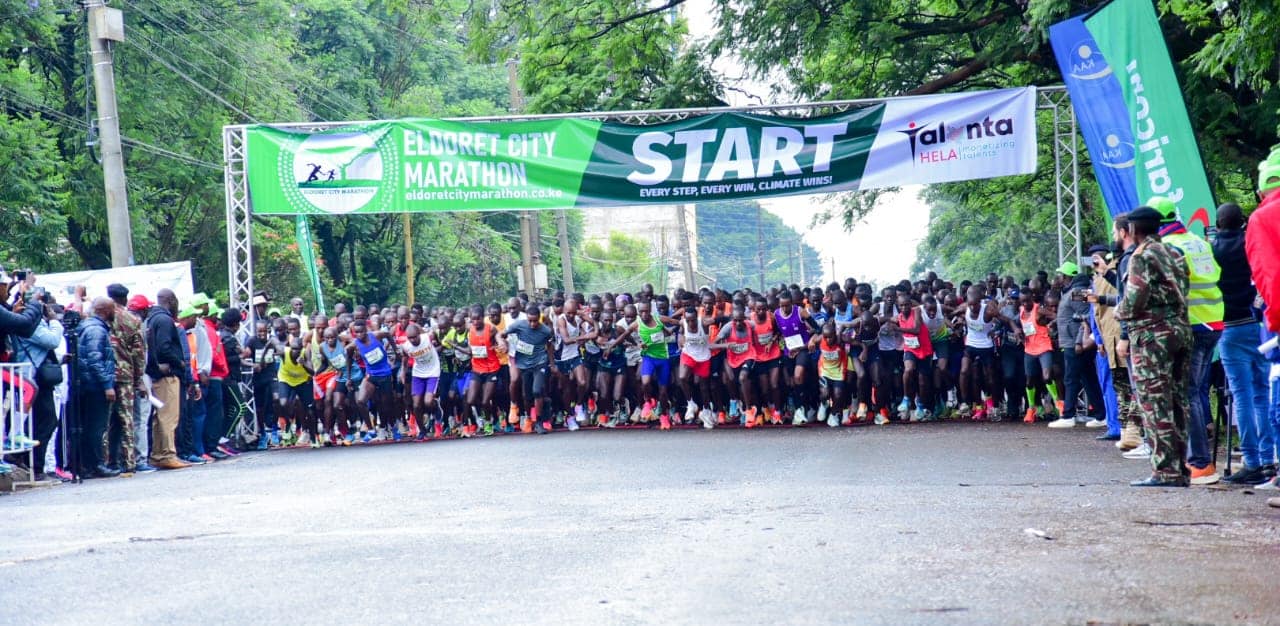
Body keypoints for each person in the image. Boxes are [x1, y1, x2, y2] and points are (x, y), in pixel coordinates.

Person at [1149, 196, 1225, 483]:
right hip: (1213, 321)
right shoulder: (1196, 240)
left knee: (1188, 393)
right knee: (1195, 390)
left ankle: (1200, 463)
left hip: (1191, 323)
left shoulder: (1169, 248)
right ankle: (1199, 460)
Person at [1115, 206, 1192, 488]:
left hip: (1152, 336)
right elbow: (1185, 290)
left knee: (1154, 402)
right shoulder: (1174, 253)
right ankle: (1181, 468)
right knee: (1177, 400)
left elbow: (1134, 299)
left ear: (1133, 230)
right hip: (1181, 330)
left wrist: (1117, 312)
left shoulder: (1141, 256)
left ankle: (1165, 471)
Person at [1213, 203, 1275, 485]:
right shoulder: (1250, 242)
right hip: (1258, 324)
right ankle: (1268, 457)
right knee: (1262, 391)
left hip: (1229, 325)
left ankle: (1250, 460)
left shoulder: (1213, 250)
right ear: (1242, 222)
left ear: (1218, 223)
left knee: (1242, 394)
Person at [1049, 262, 1104, 429]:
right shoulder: (1070, 292)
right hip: (1073, 342)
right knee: (1088, 379)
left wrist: (1080, 341)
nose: (1056, 279)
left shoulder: (1078, 292)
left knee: (1071, 379)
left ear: (1067, 277)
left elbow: (1088, 316)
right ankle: (1101, 415)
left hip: (1076, 344)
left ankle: (1068, 415)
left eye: (1059, 275)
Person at [144, 289, 192, 470]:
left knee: (159, 416)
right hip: (167, 375)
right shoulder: (164, 320)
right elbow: (164, 347)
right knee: (168, 417)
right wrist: (179, 362)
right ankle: (167, 454)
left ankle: (158, 453)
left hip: (157, 374)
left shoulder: (152, 318)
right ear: (171, 300)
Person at [106, 283, 149, 474]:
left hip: (104, 375)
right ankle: (129, 462)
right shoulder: (131, 320)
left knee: (106, 422)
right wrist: (139, 378)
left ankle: (106, 462)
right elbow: (138, 353)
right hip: (125, 376)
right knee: (127, 420)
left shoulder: (97, 316)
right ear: (124, 299)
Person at [76, 298, 120, 479]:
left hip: (88, 384)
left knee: (89, 426)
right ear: (104, 310)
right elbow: (95, 360)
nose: (115, 312)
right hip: (95, 386)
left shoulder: (88, 326)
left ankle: (88, 465)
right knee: (96, 427)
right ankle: (96, 465)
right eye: (113, 308)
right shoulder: (96, 330)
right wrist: (107, 385)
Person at [503, 304, 554, 434]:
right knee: (527, 395)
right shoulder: (519, 325)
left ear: (539, 319)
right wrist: (502, 342)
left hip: (540, 363)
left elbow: (549, 346)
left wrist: (552, 364)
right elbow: (501, 334)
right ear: (526, 318)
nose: (532, 324)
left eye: (535, 321)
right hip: (524, 365)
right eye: (530, 321)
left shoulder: (545, 331)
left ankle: (539, 422)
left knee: (537, 391)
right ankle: (529, 418)